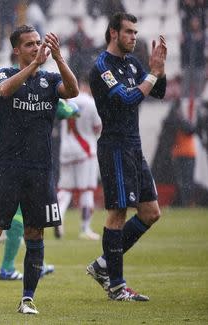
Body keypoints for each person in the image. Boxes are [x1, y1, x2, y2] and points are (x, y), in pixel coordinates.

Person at [0, 24, 78, 314]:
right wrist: (34, 66)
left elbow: (73, 91)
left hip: (39, 169)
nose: (36, 47)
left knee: (35, 233)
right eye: (29, 44)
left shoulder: (51, 80)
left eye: (39, 43)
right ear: (16, 50)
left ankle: (27, 299)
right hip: (7, 167)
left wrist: (60, 60)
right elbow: (4, 91)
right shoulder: (4, 74)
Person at [86, 12, 167, 302]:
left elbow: (159, 91)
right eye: (129, 32)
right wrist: (153, 74)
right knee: (117, 213)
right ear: (113, 33)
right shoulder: (102, 67)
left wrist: (159, 69)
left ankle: (104, 265)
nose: (134, 37)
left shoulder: (132, 63)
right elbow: (127, 98)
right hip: (115, 146)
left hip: (134, 146)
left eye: (135, 32)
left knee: (150, 212)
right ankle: (117, 286)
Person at [55, 78, 102, 240]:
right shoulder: (90, 102)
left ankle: (58, 218)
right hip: (85, 150)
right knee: (86, 190)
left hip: (66, 149)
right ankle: (85, 228)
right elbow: (97, 127)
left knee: (65, 189)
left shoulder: (65, 100)